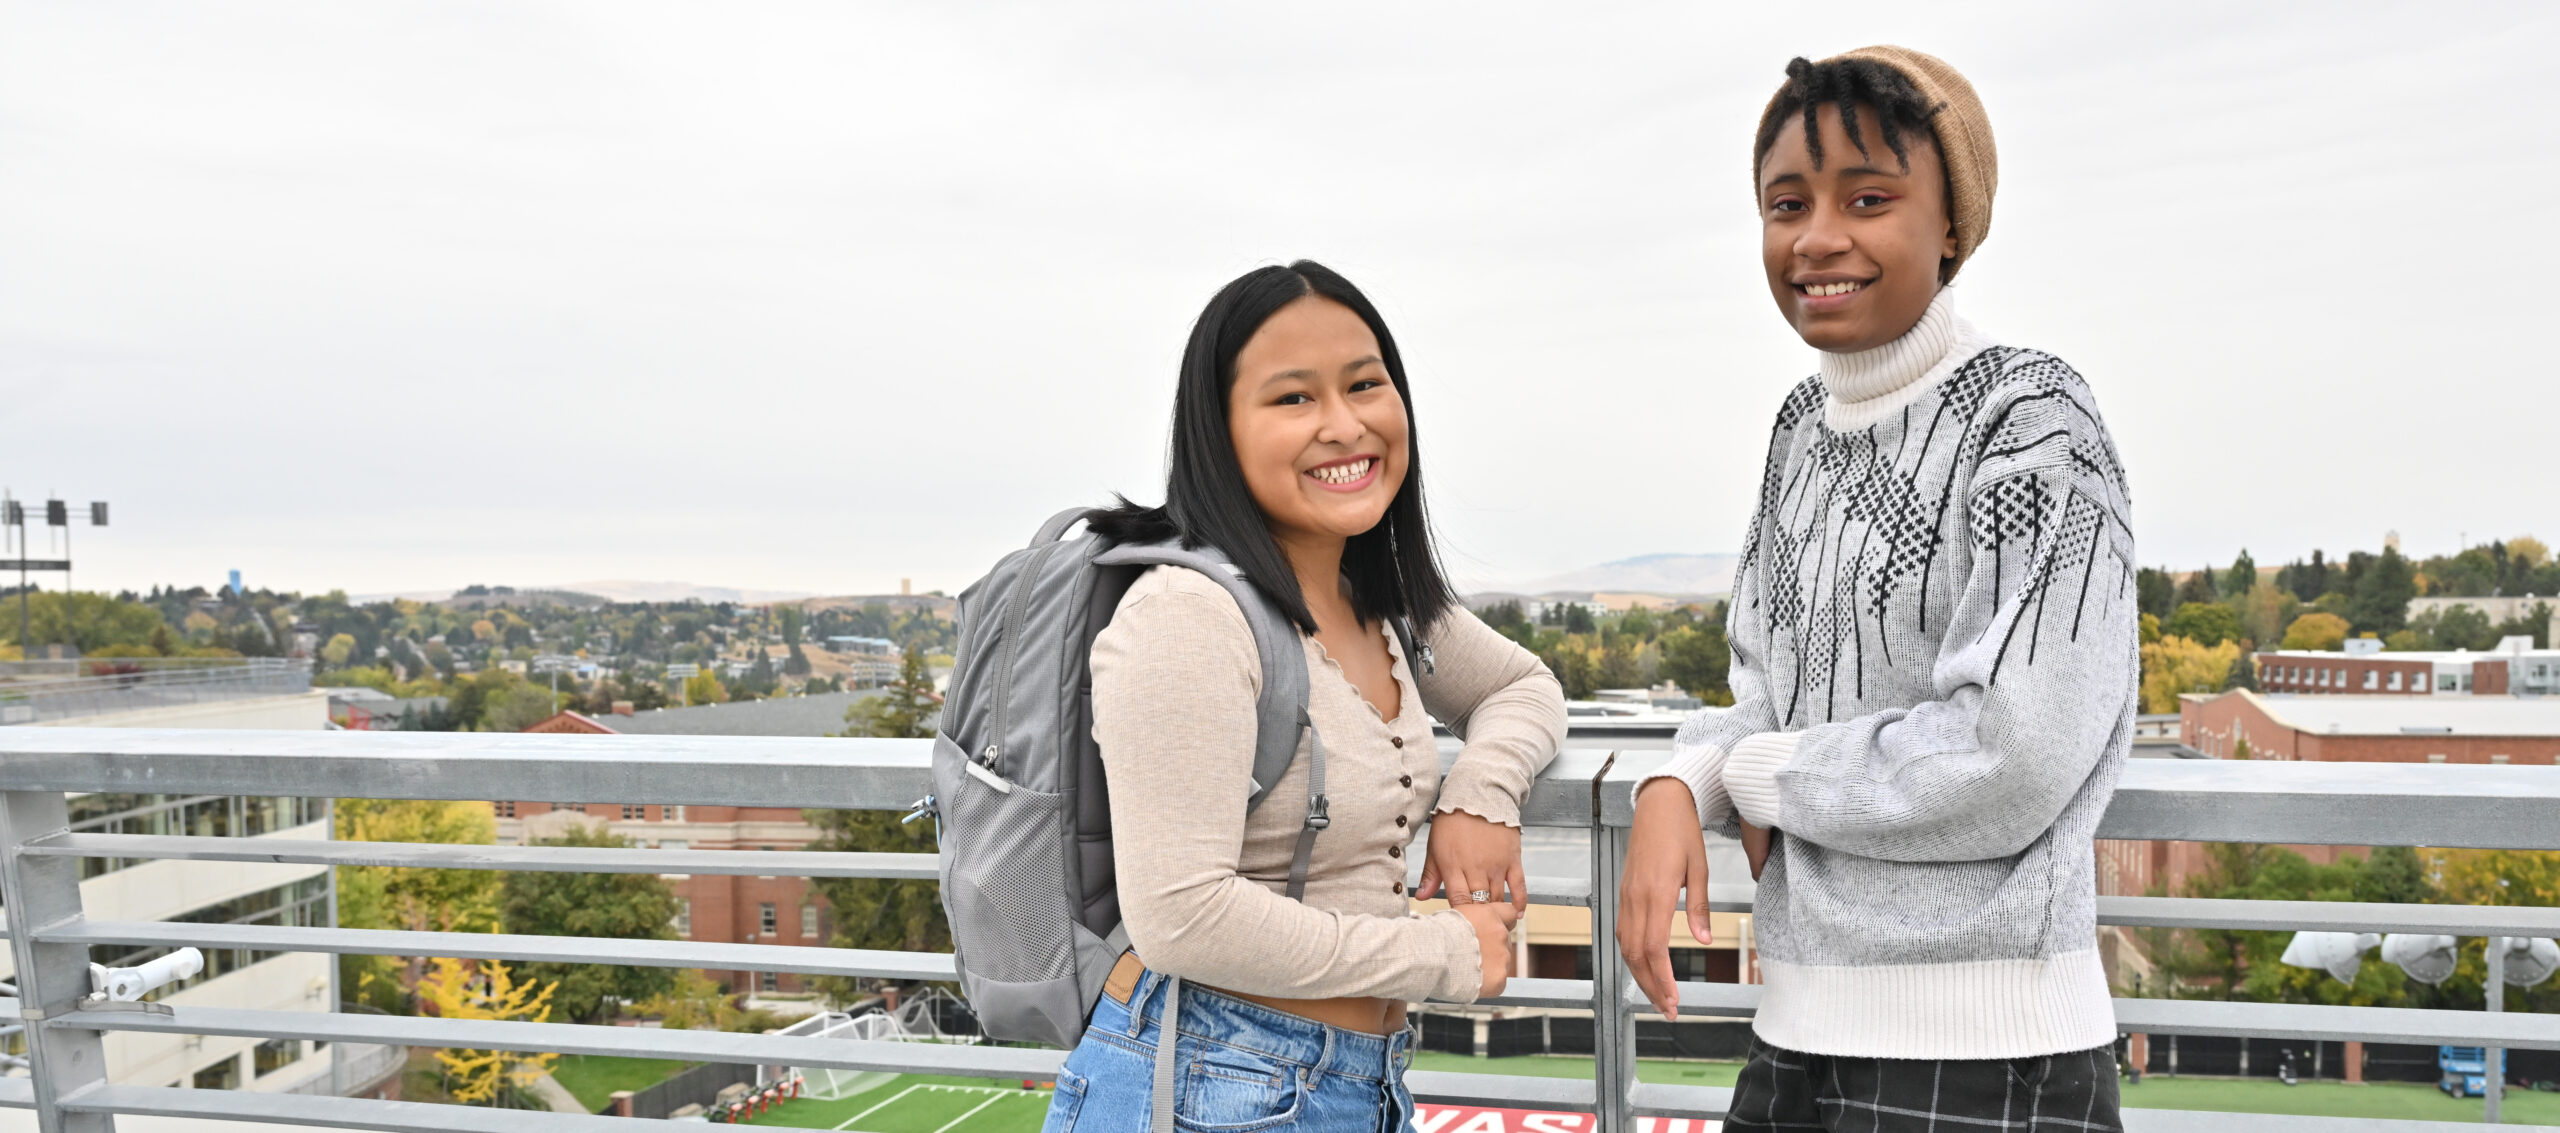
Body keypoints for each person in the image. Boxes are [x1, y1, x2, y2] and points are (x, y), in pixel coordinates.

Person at [1616, 48, 2137, 1129]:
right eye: (1785, 204)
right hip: (1797, 1032)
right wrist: (1681, 781)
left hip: (1990, 1050)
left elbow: (2013, 750)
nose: (1816, 237)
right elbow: (1764, 693)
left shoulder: (2030, 418)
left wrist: (1754, 772)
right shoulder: (1799, 431)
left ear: (1951, 224)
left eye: (1867, 199)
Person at [1044, 260, 1566, 1132]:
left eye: (1364, 384)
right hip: (1210, 1083)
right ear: (1219, 431)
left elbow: (1523, 685)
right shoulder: (1188, 616)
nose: (1344, 424)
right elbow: (1180, 915)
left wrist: (1481, 792)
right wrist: (1440, 952)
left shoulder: (1379, 599)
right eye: (1293, 398)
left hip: (1354, 1081)